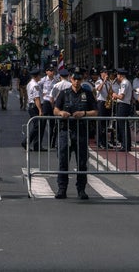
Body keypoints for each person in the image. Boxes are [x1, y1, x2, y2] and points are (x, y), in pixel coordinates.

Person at [53, 67, 98, 200]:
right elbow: (55, 109)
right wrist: (61, 113)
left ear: (82, 79)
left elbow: (95, 112)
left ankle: (81, 189)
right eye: (74, 79)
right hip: (65, 131)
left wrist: (83, 113)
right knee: (63, 161)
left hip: (81, 131)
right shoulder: (64, 93)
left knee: (82, 162)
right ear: (70, 79)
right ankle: (62, 189)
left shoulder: (87, 93)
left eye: (79, 79)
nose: (77, 81)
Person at [112, 67, 133, 151]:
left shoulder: (124, 83)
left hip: (123, 105)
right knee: (124, 126)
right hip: (125, 104)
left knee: (123, 126)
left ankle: (125, 145)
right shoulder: (126, 82)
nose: (117, 76)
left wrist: (114, 95)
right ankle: (126, 144)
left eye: (117, 75)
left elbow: (121, 96)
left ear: (120, 75)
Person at [38, 65, 57, 148]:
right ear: (46, 72)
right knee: (43, 123)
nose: (52, 72)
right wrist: (42, 93)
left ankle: (52, 143)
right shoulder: (43, 80)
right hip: (46, 102)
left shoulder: (56, 80)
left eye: (53, 70)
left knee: (53, 124)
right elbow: (36, 86)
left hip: (53, 102)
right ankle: (39, 143)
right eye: (50, 70)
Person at [25, 67, 44, 150]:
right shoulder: (35, 85)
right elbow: (37, 98)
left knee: (37, 126)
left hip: (31, 106)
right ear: (37, 76)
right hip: (34, 107)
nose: (40, 77)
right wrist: (40, 110)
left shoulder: (30, 83)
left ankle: (36, 145)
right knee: (37, 126)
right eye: (39, 75)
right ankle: (25, 142)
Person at [94, 67, 113, 148]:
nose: (106, 74)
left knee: (106, 124)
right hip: (101, 103)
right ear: (101, 74)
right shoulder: (99, 81)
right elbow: (98, 89)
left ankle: (105, 142)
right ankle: (100, 142)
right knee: (100, 124)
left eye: (107, 73)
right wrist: (104, 81)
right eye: (105, 73)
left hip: (107, 103)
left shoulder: (108, 83)